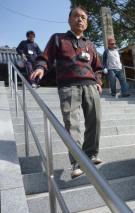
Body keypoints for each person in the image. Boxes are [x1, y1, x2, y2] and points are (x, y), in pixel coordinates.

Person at [30, 6, 102, 178]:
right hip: (68, 86)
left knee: (95, 120)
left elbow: (98, 67)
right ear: (69, 20)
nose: (80, 19)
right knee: (72, 125)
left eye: (83, 17)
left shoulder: (90, 44)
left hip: (90, 85)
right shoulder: (58, 39)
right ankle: (77, 162)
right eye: (76, 16)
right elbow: (45, 57)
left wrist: (98, 82)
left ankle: (91, 154)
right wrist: (40, 67)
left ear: (87, 23)